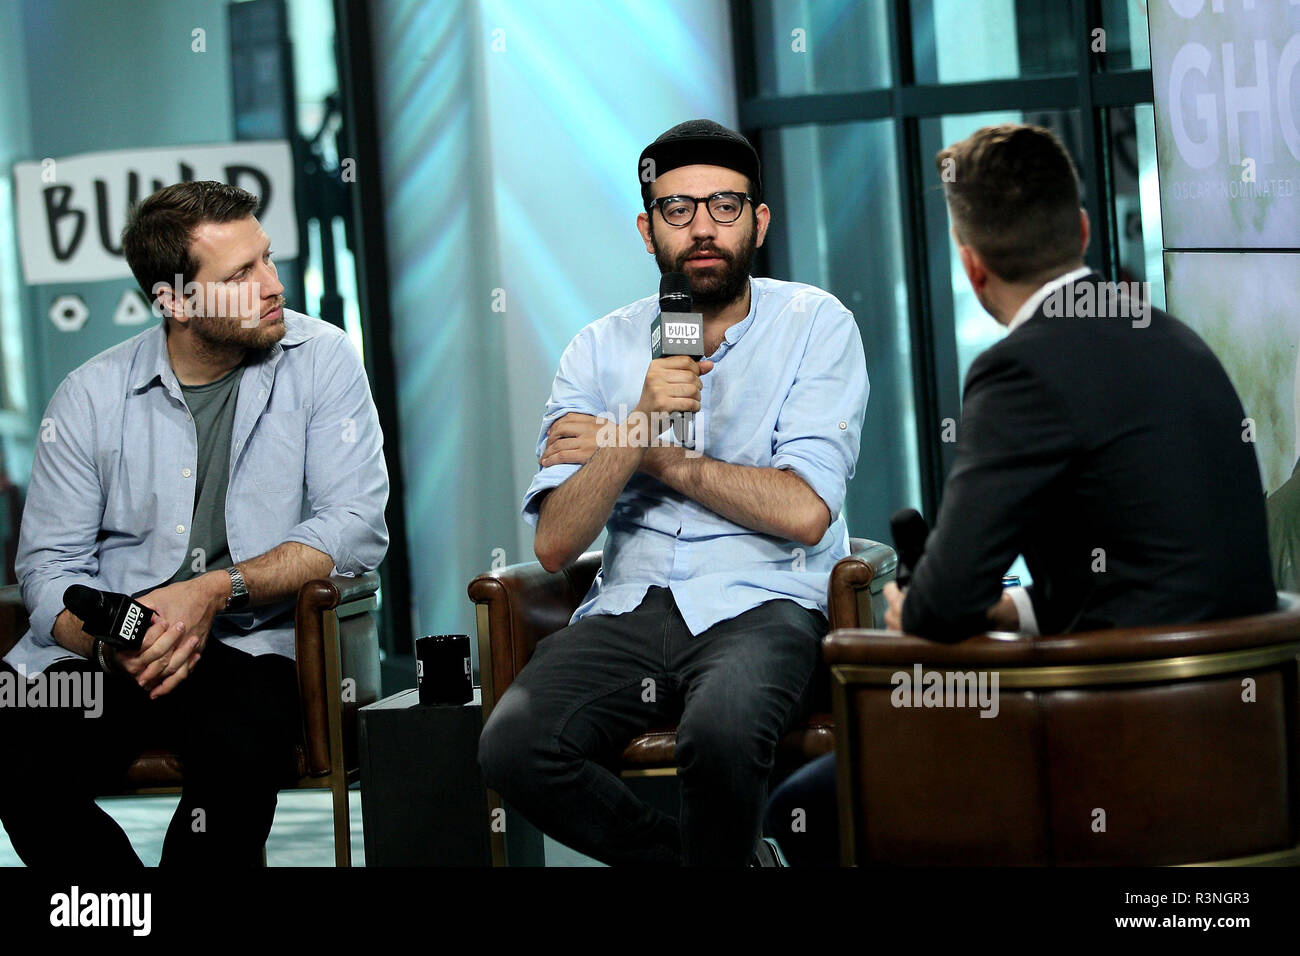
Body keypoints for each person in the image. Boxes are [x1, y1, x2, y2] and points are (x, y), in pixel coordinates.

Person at [767, 123, 1275, 865]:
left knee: (802, 806)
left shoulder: (1019, 371)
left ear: (972, 269)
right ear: (1080, 229)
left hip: (1115, 733)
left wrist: (917, 605)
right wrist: (1014, 606)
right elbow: (1151, 563)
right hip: (1242, 737)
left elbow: (941, 605)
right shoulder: (1176, 340)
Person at [477, 119, 869, 866]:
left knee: (720, 735)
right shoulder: (599, 348)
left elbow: (804, 512)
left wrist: (639, 450)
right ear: (646, 227)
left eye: (725, 207)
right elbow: (557, 545)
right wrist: (643, 416)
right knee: (512, 745)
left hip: (764, 603)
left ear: (759, 220)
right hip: (627, 607)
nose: (702, 230)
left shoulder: (816, 325)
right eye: (677, 210)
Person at [0, 181, 389, 866]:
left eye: (266, 258)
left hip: (248, 646)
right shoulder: (89, 396)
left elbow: (355, 526)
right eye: (241, 274)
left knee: (237, 762)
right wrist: (101, 644)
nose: (273, 284)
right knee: (15, 757)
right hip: (109, 653)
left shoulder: (322, 359)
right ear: (174, 301)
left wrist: (214, 590)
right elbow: (46, 570)